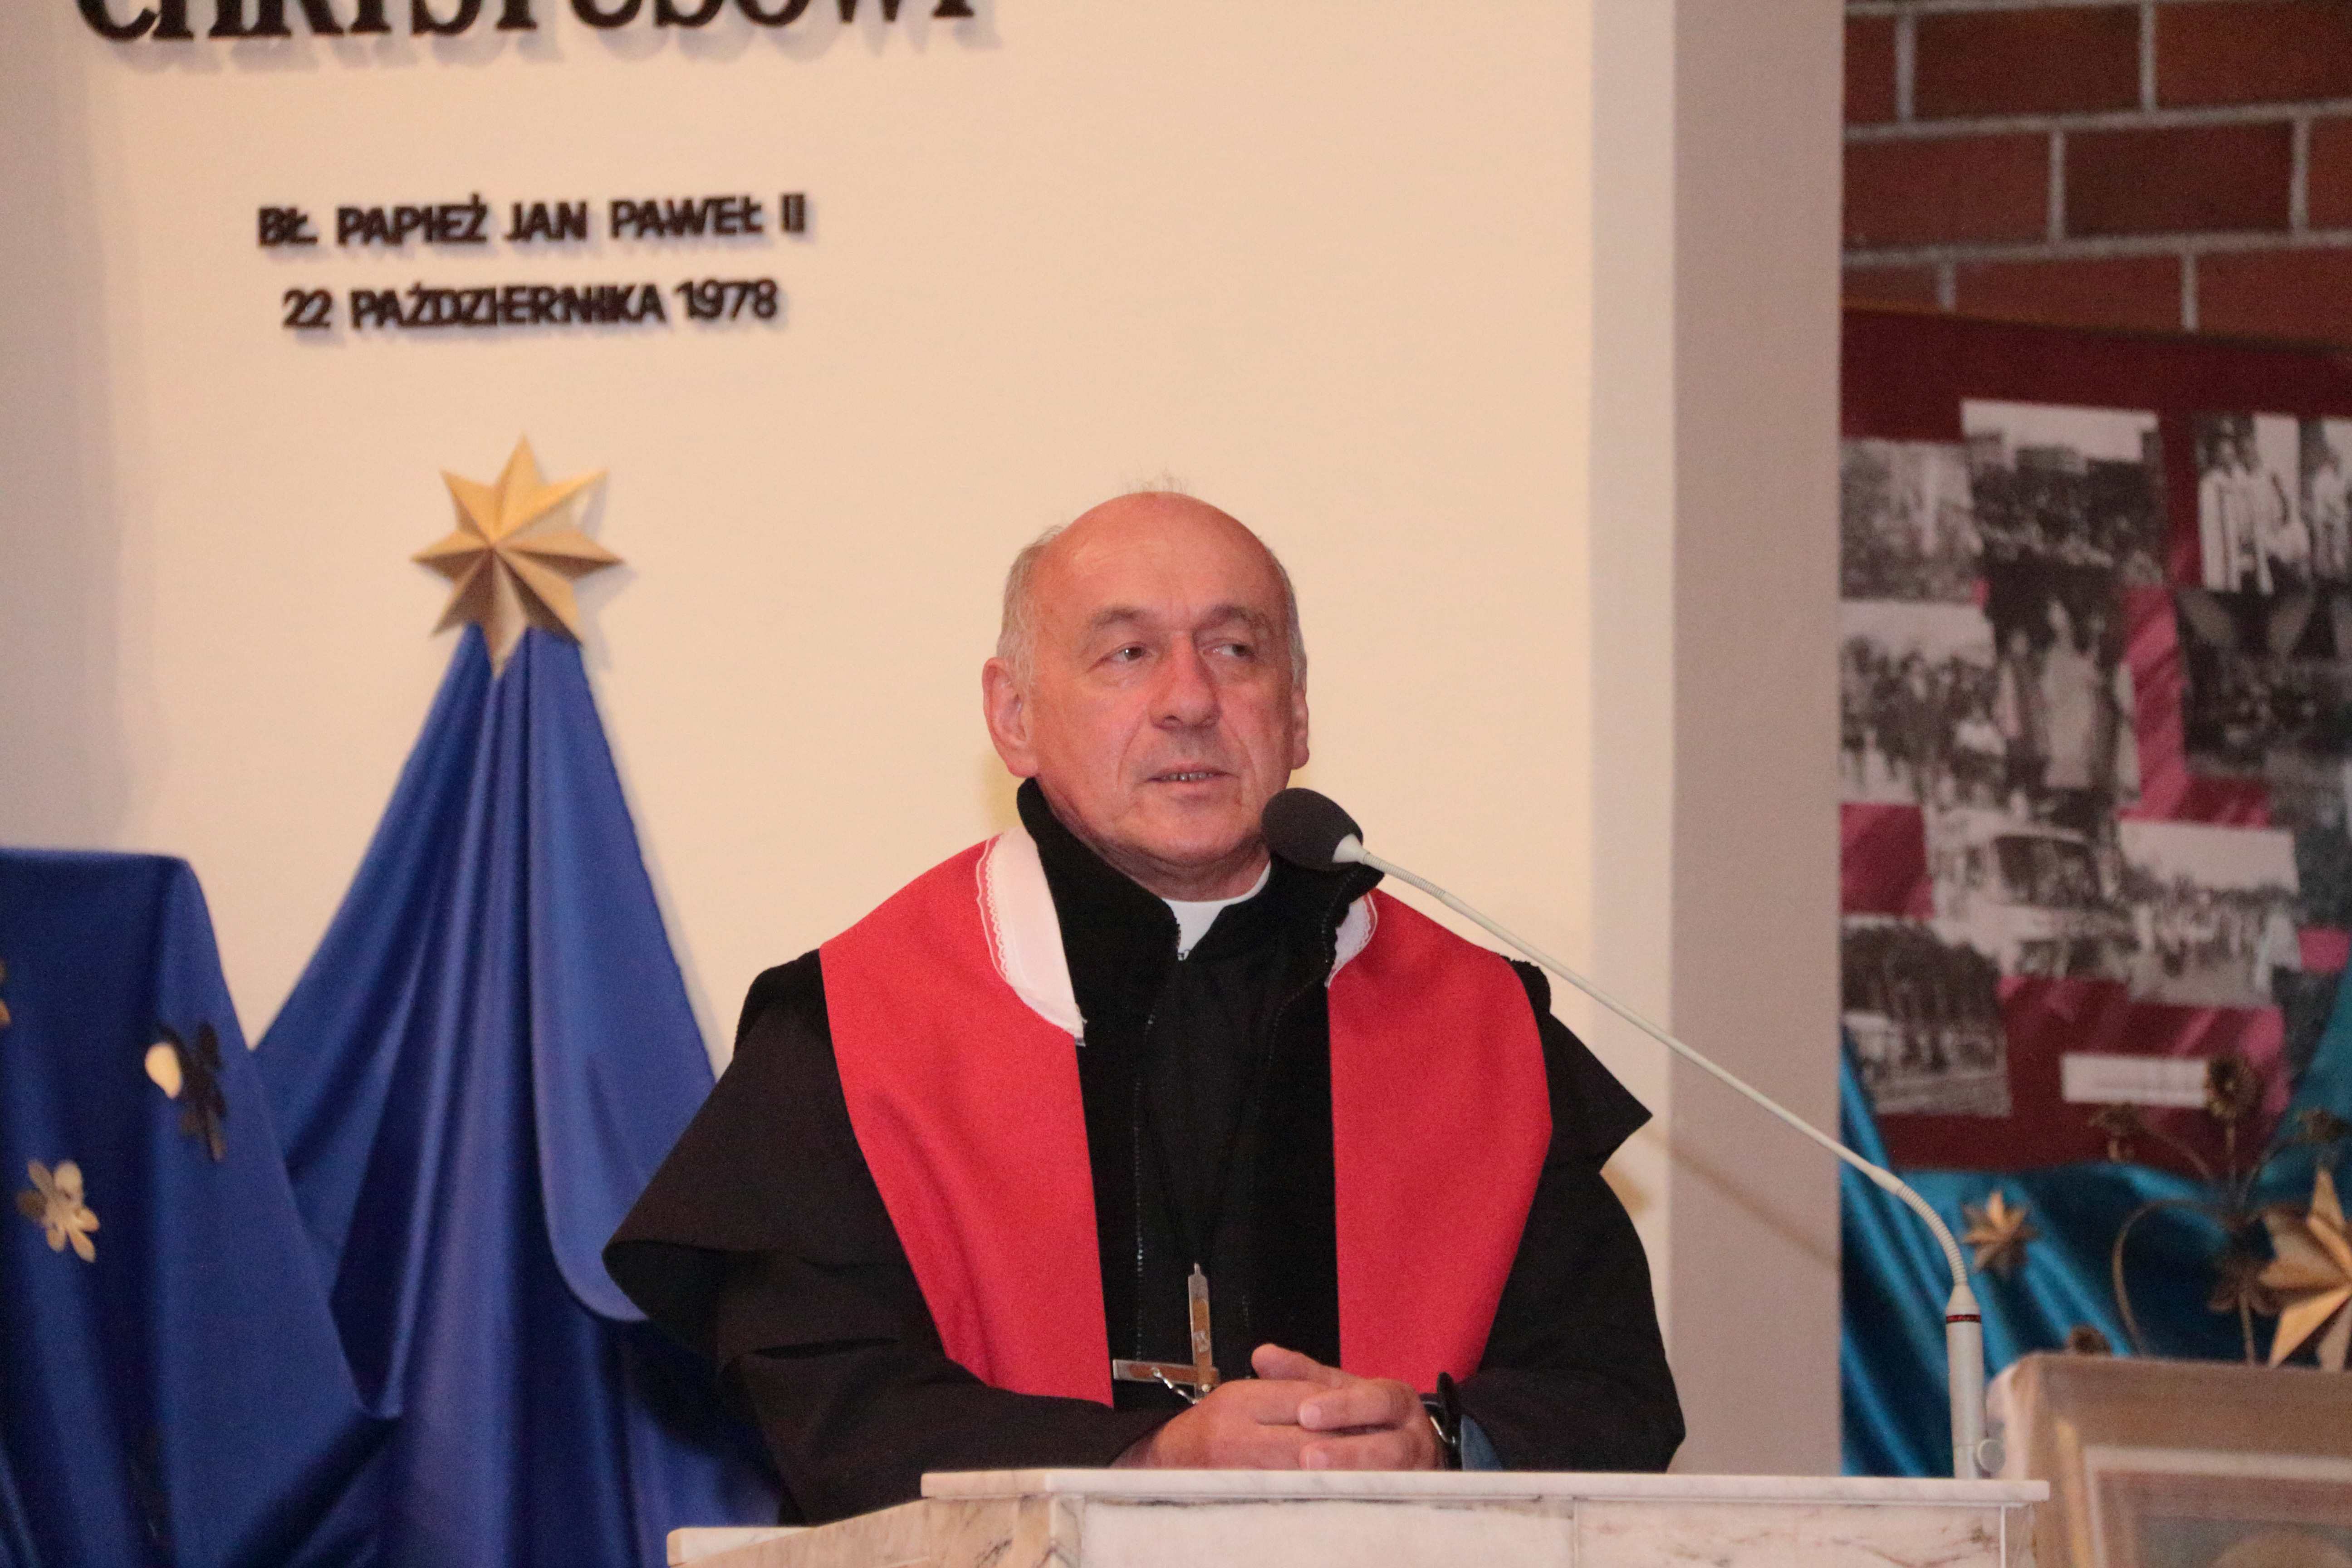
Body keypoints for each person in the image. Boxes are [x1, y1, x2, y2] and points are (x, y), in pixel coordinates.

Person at [604, 492, 1683, 1524]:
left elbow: (1606, 1390)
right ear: (1014, 718)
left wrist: (1437, 1447)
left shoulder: (1477, 1028)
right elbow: (826, 1404)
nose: (1190, 699)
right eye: (1127, 653)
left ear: (1298, 709)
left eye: (1236, 649)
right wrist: (1142, 1462)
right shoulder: (858, 1027)